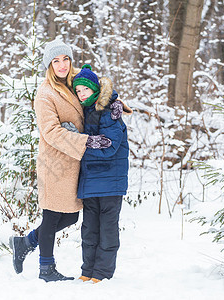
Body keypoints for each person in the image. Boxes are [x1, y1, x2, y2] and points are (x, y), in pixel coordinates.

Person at [8, 39, 114, 282]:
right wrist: (85, 141)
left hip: (75, 162)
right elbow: (51, 132)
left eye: (65, 59)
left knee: (71, 216)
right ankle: (46, 269)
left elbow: (101, 91)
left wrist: (115, 104)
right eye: (56, 61)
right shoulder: (45, 93)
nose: (62, 64)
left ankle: (26, 242)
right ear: (49, 65)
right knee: (53, 215)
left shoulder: (77, 79)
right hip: (55, 162)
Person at [72, 64, 132, 283]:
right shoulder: (87, 110)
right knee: (89, 229)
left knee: (107, 229)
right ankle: (88, 270)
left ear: (95, 89)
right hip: (91, 182)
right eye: (77, 91)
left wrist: (81, 144)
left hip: (109, 181)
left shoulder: (109, 111)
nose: (81, 94)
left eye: (85, 90)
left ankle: (103, 273)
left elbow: (109, 146)